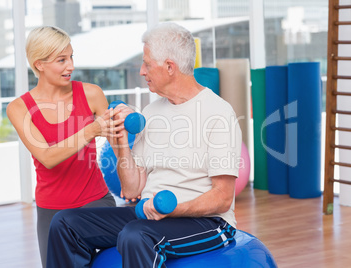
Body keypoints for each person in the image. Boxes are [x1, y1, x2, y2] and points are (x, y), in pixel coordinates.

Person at [46, 22, 242, 268]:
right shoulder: (152, 112)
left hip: (208, 222)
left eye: (147, 64)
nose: (141, 71)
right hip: (150, 214)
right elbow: (131, 188)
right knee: (65, 222)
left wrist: (174, 210)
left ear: (169, 67)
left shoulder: (218, 113)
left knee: (137, 235)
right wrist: (121, 142)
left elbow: (222, 199)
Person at [6, 26, 125, 268]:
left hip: (96, 202)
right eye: (61, 60)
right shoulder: (19, 108)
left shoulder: (92, 94)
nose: (70, 66)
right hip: (51, 210)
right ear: (39, 64)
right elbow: (47, 156)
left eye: (71, 57)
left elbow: (117, 143)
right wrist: (91, 130)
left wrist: (122, 126)